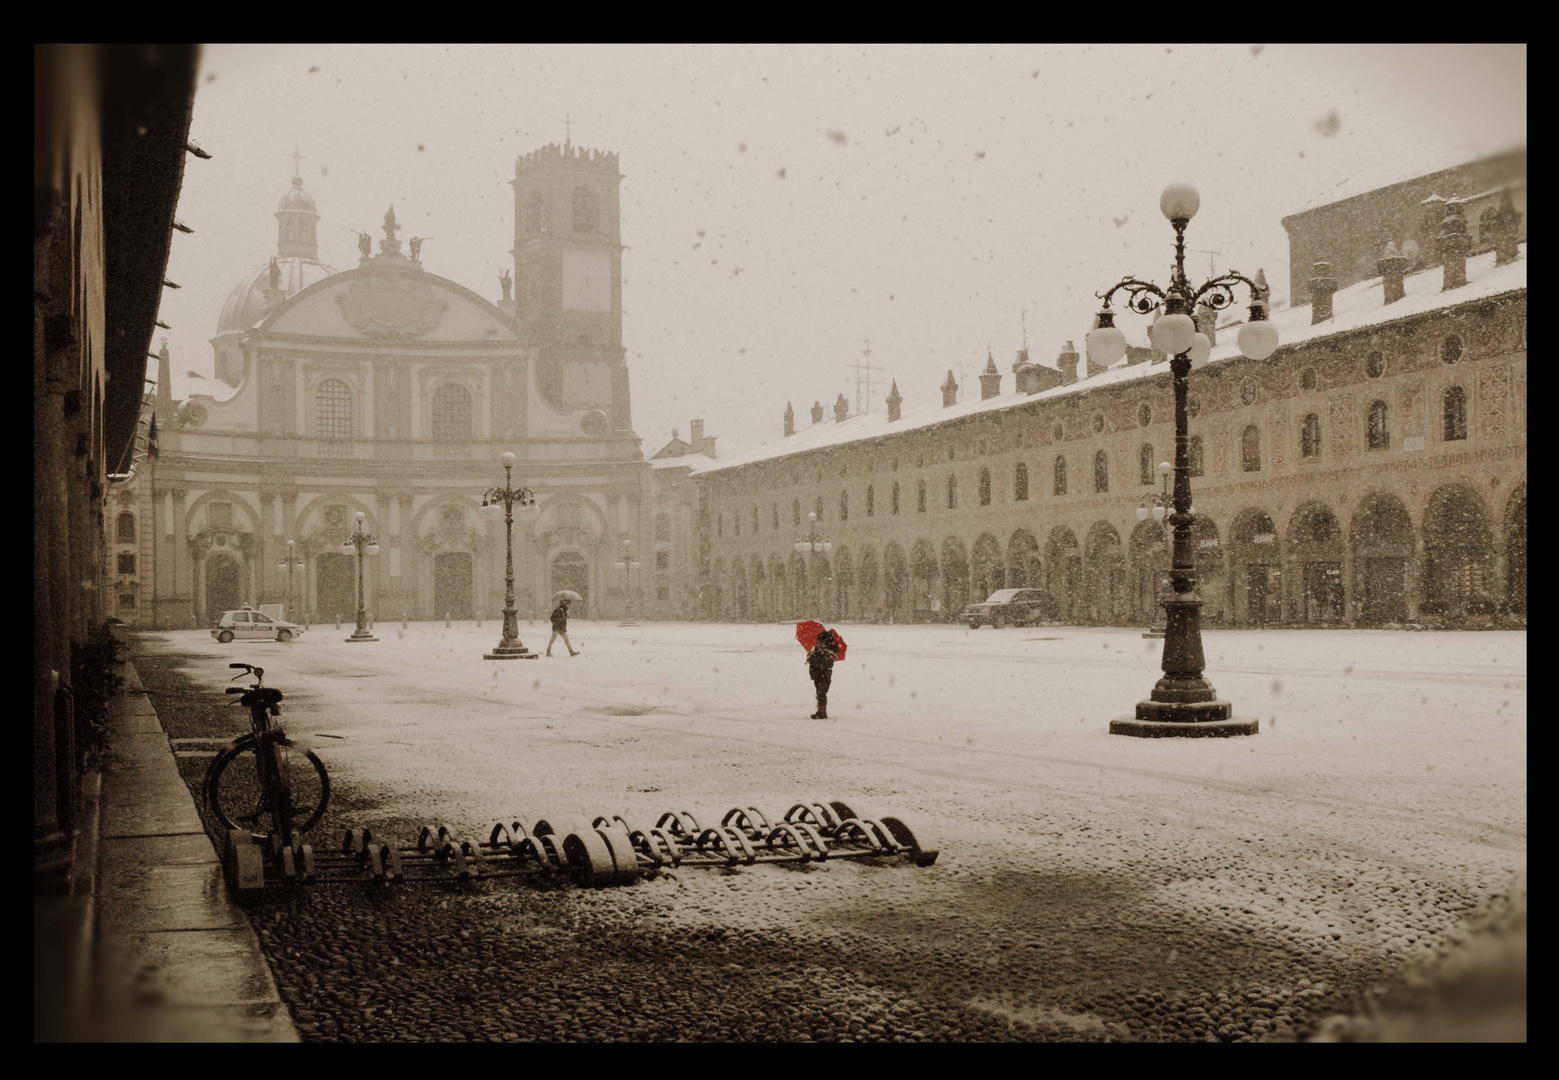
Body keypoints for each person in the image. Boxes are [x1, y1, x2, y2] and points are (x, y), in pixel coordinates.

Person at [806, 629, 840, 719]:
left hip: (824, 675)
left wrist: (814, 659)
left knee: (822, 693)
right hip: (817, 675)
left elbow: (824, 664)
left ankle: (822, 711)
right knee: (819, 692)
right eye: (818, 642)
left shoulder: (828, 653)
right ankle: (820, 710)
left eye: (820, 642)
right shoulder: (818, 650)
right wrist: (811, 656)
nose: (818, 643)